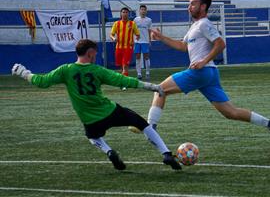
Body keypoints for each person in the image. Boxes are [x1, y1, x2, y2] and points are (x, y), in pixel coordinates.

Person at [11, 39, 181, 170]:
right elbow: (123, 80)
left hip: (89, 119)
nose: (96, 56)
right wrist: (151, 86)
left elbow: (42, 81)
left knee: (93, 137)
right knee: (141, 123)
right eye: (95, 54)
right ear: (90, 53)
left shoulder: (66, 70)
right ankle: (166, 153)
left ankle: (109, 151)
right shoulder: (97, 70)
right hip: (110, 111)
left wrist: (24, 74)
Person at [147, 0, 270, 143]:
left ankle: (150, 128)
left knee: (159, 90)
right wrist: (161, 37)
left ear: (203, 7)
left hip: (201, 72)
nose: (189, 7)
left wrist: (203, 61)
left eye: (193, 3)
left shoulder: (204, 24)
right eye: (189, 4)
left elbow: (221, 43)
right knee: (231, 112)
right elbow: (183, 46)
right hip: (209, 75)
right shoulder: (195, 26)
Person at [110, 7, 140, 79]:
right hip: (119, 47)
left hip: (128, 47)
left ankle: (124, 83)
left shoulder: (132, 24)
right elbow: (111, 34)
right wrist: (114, 38)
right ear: (121, 14)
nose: (125, 14)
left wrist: (135, 41)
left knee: (125, 65)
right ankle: (123, 79)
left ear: (128, 14)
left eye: (126, 12)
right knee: (121, 65)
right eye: (123, 12)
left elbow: (138, 35)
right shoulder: (116, 23)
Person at [134, 5, 152, 81]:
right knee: (137, 57)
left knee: (146, 57)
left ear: (146, 11)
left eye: (144, 9)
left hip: (145, 41)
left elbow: (149, 30)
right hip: (137, 41)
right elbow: (133, 30)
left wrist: (149, 40)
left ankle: (147, 72)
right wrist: (133, 39)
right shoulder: (135, 19)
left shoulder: (149, 20)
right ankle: (139, 73)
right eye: (141, 9)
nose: (143, 11)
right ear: (139, 10)